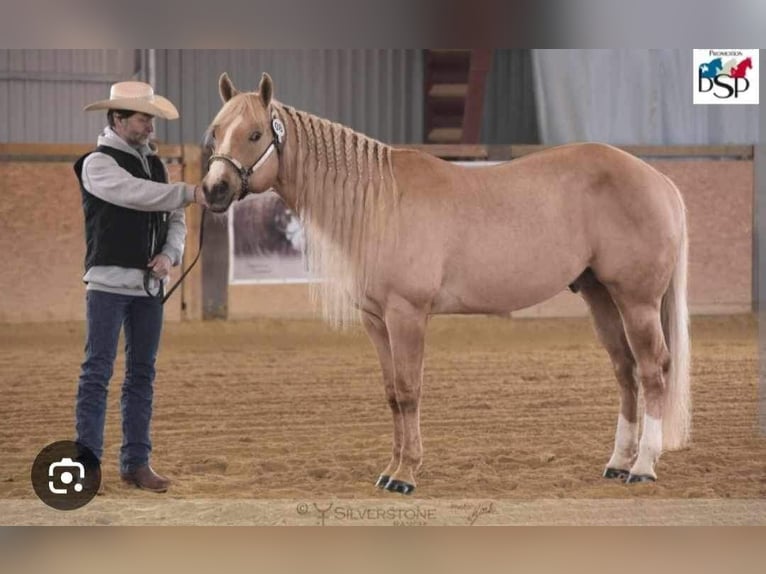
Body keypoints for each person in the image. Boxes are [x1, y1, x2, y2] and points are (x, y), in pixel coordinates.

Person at [73, 81, 206, 493]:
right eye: (143, 117)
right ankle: (88, 464)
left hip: (147, 289)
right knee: (98, 373)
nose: (150, 125)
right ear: (118, 119)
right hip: (108, 286)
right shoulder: (97, 163)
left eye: (150, 117)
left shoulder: (157, 166)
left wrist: (169, 255)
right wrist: (188, 191)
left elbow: (176, 219)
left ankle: (136, 462)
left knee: (141, 375)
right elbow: (136, 195)